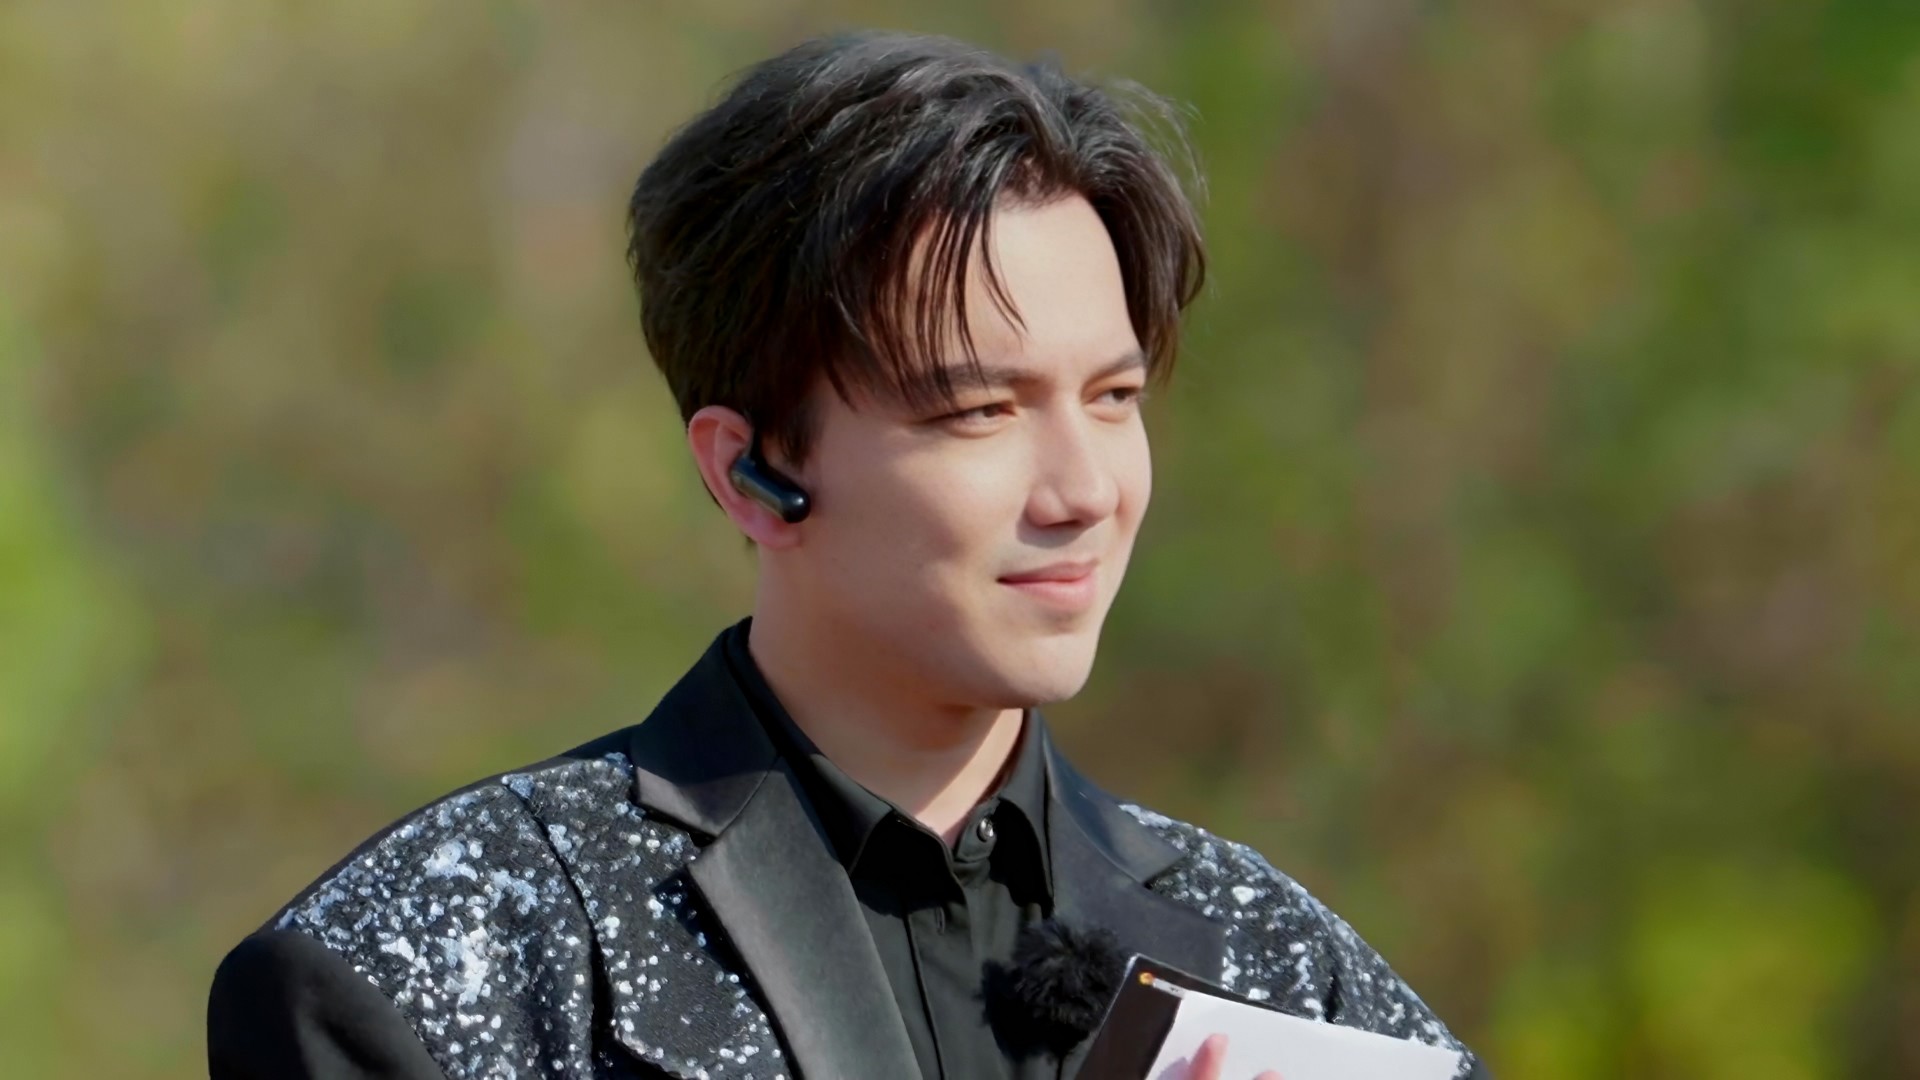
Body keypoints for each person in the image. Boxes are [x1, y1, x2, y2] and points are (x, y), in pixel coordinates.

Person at [207, 30, 1489, 1080]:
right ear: (750, 472)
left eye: (1114, 398)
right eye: (979, 411)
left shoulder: (1284, 975)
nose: (1085, 491)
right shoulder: (437, 964)